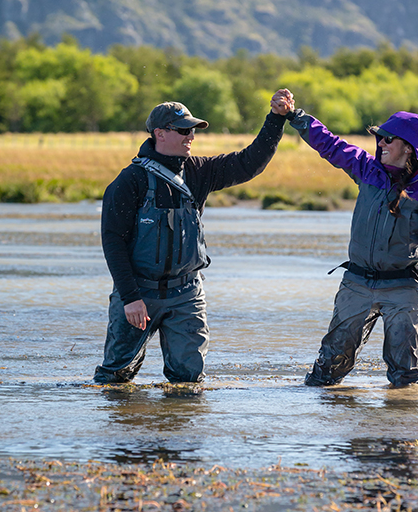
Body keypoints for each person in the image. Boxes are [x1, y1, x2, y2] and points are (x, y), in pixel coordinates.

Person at [94, 90, 295, 384]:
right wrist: (131, 298)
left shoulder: (199, 171)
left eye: (193, 130)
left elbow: (249, 162)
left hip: (186, 294)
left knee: (187, 382)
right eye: (184, 130)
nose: (191, 136)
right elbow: (113, 242)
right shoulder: (129, 181)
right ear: (159, 134)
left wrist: (276, 120)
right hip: (139, 294)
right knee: (116, 376)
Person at [285, 103, 418, 388]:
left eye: (389, 138)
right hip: (357, 282)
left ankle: (403, 425)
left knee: (405, 374)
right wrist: (296, 117)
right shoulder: (366, 169)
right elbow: (330, 144)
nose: (381, 143)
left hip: (405, 286)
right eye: (380, 137)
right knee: (329, 365)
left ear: (409, 147)